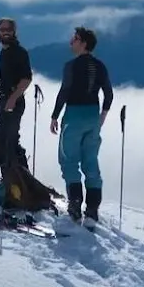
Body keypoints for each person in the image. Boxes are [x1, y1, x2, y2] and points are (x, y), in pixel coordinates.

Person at [50, 25, 114, 224]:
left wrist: (54, 116)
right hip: (93, 115)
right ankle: (92, 209)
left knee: (68, 160)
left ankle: (75, 205)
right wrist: (103, 114)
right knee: (91, 161)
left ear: (83, 43)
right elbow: (109, 93)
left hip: (74, 115)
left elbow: (65, 91)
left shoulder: (71, 66)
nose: (71, 42)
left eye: (75, 39)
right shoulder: (100, 66)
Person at [0, 17, 33, 171]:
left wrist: (12, 98)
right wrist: (1, 85)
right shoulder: (5, 51)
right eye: (2, 30)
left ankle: (16, 176)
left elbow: (27, 78)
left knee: (9, 139)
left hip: (13, 101)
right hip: (6, 98)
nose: (5, 33)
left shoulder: (19, 52)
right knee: (2, 137)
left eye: (8, 30)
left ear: (14, 31)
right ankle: (9, 176)